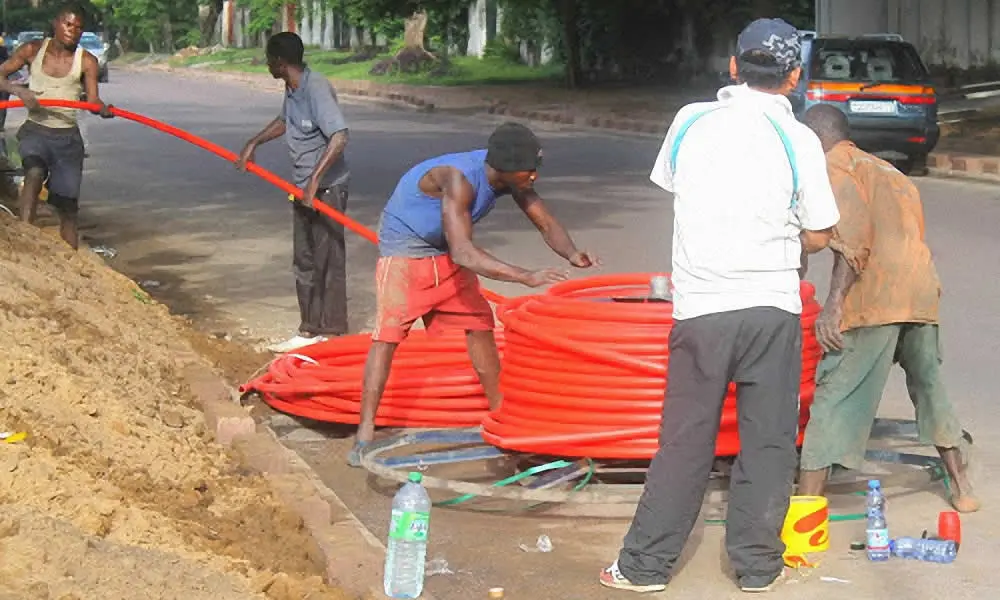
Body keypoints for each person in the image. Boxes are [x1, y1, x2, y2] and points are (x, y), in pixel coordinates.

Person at [599, 19, 841, 594]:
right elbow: (821, 232)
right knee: (768, 442)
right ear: (794, 76)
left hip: (702, 309)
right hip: (770, 309)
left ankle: (643, 568)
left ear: (732, 67)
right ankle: (758, 569)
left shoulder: (690, 120)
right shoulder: (800, 138)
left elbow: (676, 184)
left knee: (684, 441)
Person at [347, 122, 599, 467]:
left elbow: (543, 220)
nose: (534, 178)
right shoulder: (458, 179)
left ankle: (502, 419)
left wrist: (571, 253)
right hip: (407, 251)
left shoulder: (512, 178)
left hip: (445, 250)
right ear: (507, 168)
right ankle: (363, 436)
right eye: (530, 171)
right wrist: (525, 276)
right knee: (387, 337)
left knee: (481, 324)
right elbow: (465, 253)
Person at [796, 105, 980, 513]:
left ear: (813, 137)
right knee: (930, 388)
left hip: (874, 298)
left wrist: (832, 307)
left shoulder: (830, 165)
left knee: (833, 397)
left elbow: (854, 238)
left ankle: (805, 511)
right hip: (920, 292)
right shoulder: (890, 172)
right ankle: (962, 487)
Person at [238, 32, 351, 354]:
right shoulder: (292, 88)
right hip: (300, 187)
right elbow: (284, 121)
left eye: (268, 60)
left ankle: (332, 332)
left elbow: (339, 136)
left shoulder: (316, 88)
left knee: (327, 259)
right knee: (304, 258)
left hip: (326, 188)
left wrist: (316, 180)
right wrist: (253, 142)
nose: (266, 65)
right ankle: (308, 329)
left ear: (280, 62)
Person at [0, 3, 113, 250]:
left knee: (68, 206)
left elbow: (93, 100)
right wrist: (19, 90)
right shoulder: (32, 50)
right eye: (68, 24)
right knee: (34, 171)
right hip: (35, 130)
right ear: (56, 23)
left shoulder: (87, 61)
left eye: (79, 27)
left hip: (67, 139)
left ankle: (72, 261)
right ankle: (25, 239)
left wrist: (102, 109)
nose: (73, 30)